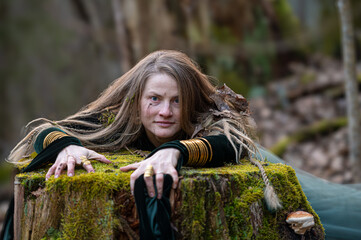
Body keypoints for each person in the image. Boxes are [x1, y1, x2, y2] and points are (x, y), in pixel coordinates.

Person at [2, 50, 360, 240]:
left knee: (343, 210)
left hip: (260, 165)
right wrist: (66, 146)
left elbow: (226, 144)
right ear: (137, 100)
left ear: (189, 101)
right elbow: (47, 130)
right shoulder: (120, 118)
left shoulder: (212, 119)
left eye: (176, 101)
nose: (165, 112)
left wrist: (174, 151)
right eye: (155, 99)